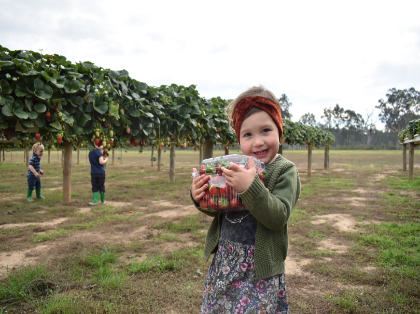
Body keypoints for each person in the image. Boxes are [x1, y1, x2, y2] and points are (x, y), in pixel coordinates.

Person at [191, 86, 301, 314]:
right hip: (226, 261)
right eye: (248, 134)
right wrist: (199, 196)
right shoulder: (235, 166)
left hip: (259, 271)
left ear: (279, 131)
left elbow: (278, 216)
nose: (258, 142)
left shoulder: (284, 171)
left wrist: (251, 187)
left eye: (266, 130)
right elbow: (220, 206)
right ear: (239, 139)